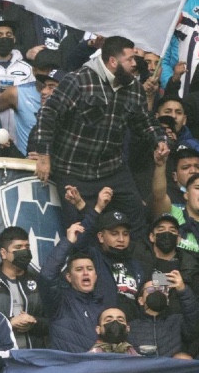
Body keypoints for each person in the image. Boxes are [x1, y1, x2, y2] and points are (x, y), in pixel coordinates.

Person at [35, 36, 167, 233]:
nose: (135, 64)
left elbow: (144, 121)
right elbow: (49, 114)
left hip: (112, 169)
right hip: (73, 170)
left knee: (137, 217)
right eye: (130, 59)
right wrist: (44, 156)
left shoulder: (134, 89)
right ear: (113, 61)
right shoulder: (78, 80)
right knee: (80, 230)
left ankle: (136, 262)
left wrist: (159, 140)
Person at [0, 227, 47, 350]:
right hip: (2, 359)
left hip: (36, 357)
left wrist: (34, 322)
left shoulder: (40, 281)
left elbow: (55, 322)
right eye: (18, 248)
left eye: (27, 247)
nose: (25, 252)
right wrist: (9, 323)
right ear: (3, 253)